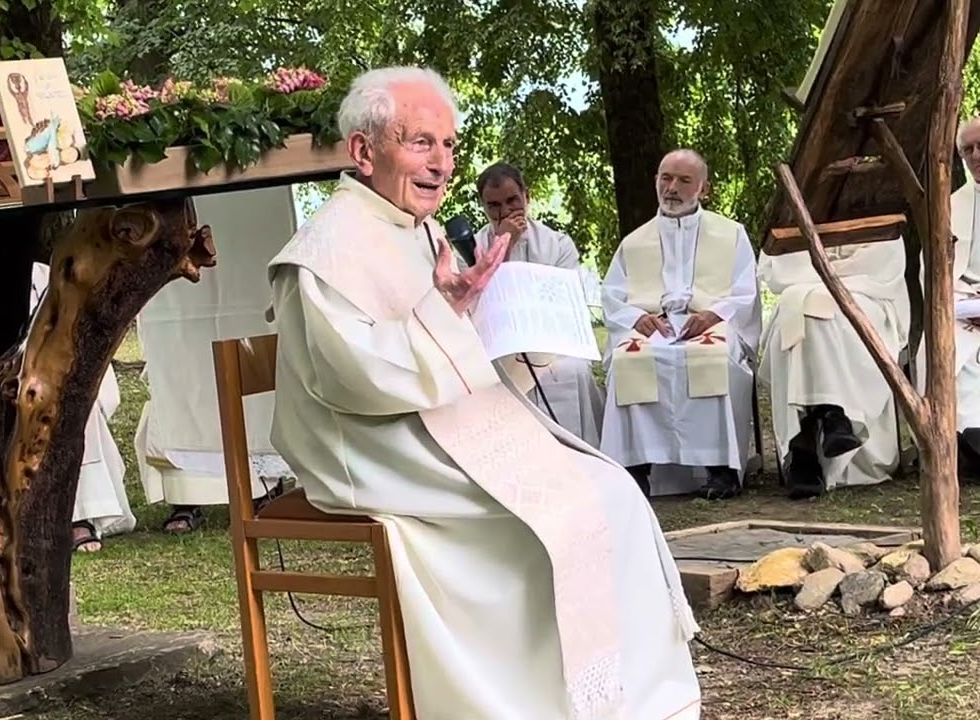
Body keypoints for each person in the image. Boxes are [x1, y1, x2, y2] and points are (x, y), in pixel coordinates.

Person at [266, 66, 700, 720]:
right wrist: (450, 317)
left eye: (448, 146)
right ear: (363, 151)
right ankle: (534, 705)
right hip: (364, 443)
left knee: (610, 490)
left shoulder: (420, 229)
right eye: (421, 143)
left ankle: (629, 697)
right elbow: (353, 376)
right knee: (538, 523)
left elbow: (448, 339)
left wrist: (492, 322)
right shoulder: (322, 252)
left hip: (434, 421)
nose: (441, 163)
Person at [0, 262, 136, 552]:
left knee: (72, 406)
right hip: (0, 392)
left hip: (55, 379)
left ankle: (79, 516)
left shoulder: (51, 276)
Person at [600, 149, 763, 499]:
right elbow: (612, 296)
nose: (671, 188)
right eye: (665, 178)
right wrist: (637, 318)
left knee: (713, 356)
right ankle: (636, 468)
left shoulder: (731, 234)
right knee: (632, 359)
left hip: (710, 322)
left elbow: (746, 290)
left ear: (704, 188)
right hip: (653, 325)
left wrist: (713, 315)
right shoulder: (634, 241)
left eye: (684, 180)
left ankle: (721, 470)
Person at [133, 187, 297, 533]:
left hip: (246, 190)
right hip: (171, 190)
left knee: (253, 319)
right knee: (181, 356)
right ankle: (187, 495)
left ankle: (265, 484)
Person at [759, 242, 909, 499]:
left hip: (867, 296)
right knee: (801, 308)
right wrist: (829, 273)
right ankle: (834, 418)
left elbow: (883, 266)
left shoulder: (879, 204)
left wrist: (824, 273)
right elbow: (777, 269)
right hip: (804, 291)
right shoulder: (795, 209)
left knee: (815, 311)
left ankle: (803, 447)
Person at [472, 161, 606, 446]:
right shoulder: (472, 248)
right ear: (483, 206)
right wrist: (502, 246)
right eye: (493, 205)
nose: (505, 211)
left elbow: (564, 302)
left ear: (527, 196)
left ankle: (578, 455)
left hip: (551, 341)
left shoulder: (558, 244)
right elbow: (478, 303)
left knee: (574, 371)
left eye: (512, 200)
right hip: (497, 345)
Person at [934, 115, 980, 477]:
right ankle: (966, 442)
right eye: (968, 149)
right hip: (962, 309)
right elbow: (932, 270)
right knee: (950, 351)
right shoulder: (949, 207)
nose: (976, 155)